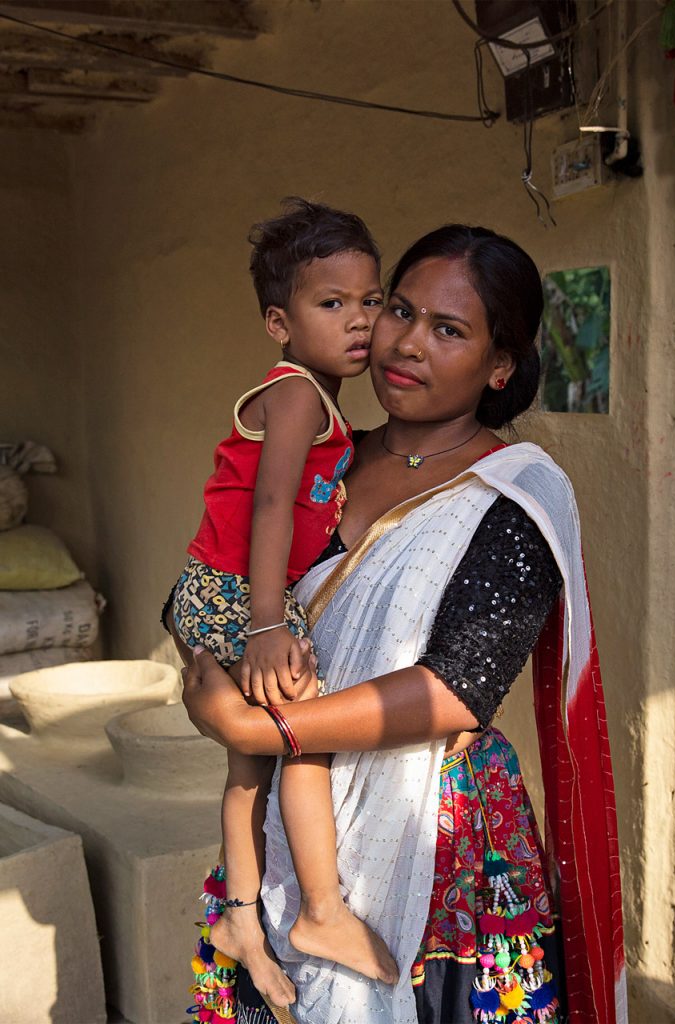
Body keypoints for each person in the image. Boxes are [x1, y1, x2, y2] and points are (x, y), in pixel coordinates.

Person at [182, 224, 627, 1024]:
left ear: (498, 365)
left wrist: (257, 731)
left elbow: (456, 691)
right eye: (399, 309)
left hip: (436, 832)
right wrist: (207, 679)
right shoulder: (326, 459)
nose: (406, 342)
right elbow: (213, 581)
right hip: (291, 813)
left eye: (447, 329)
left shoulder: (513, 492)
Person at [167, 196, 399, 1011]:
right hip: (237, 595)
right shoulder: (298, 392)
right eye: (330, 304)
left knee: (249, 764)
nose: (359, 321)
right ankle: (322, 912)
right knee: (305, 725)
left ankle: (238, 917)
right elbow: (270, 507)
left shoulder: (320, 402)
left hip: (217, 590)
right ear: (279, 322)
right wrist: (268, 621)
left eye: (370, 300)